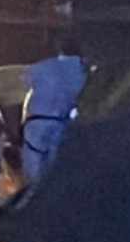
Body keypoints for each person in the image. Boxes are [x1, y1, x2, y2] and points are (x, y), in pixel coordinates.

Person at [17, 39, 89, 200]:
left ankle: (30, 197)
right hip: (61, 123)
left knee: (32, 159)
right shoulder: (82, 72)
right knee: (50, 160)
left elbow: (24, 81)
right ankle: (44, 195)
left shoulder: (45, 67)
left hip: (37, 120)